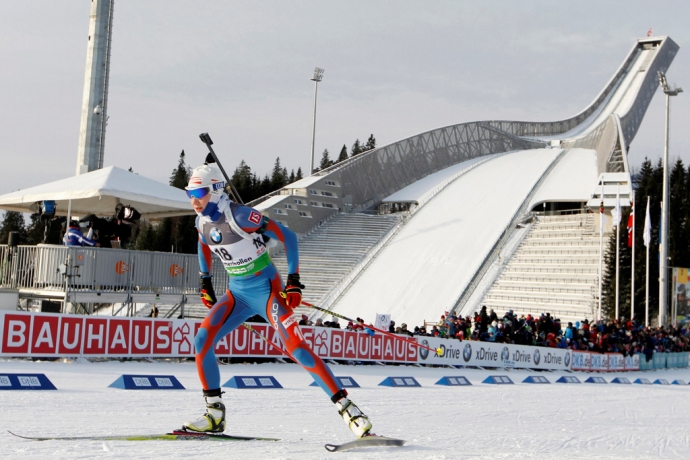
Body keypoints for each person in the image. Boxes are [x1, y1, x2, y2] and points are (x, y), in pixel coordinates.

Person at [181, 163, 373, 438]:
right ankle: (214, 415)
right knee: (202, 341)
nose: (194, 200)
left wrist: (293, 281)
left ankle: (348, 409)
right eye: (189, 194)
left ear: (216, 190)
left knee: (296, 348)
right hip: (236, 294)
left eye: (199, 193)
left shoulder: (241, 216)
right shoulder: (201, 221)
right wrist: (205, 280)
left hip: (267, 291)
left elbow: (288, 236)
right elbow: (203, 242)